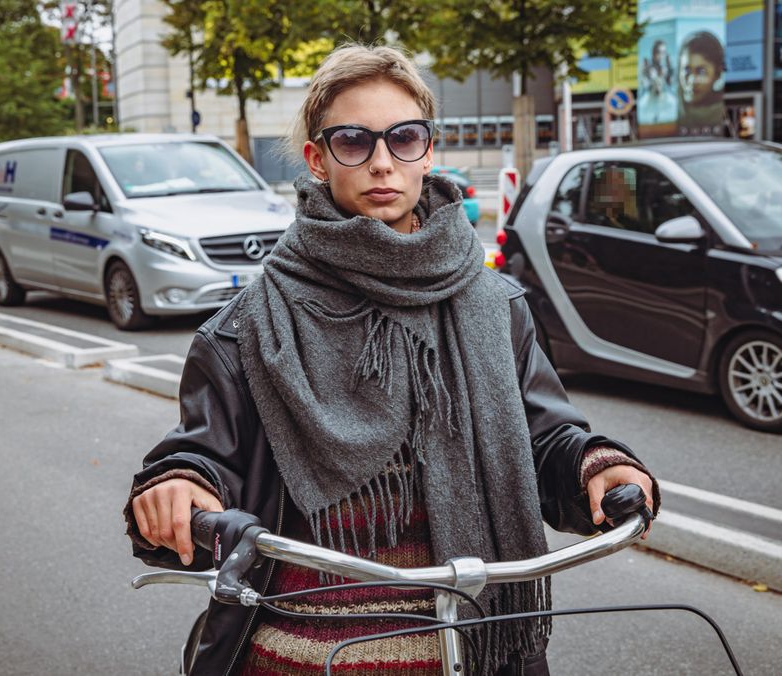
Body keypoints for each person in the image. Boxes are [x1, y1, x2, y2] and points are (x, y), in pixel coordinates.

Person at [125, 44, 659, 676]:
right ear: (318, 160)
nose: (382, 162)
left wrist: (597, 467)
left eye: (403, 138)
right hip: (300, 657)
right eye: (354, 142)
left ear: (427, 150)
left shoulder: (494, 304)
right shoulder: (247, 327)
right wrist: (179, 486)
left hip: (476, 646)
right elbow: (201, 457)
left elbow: (546, 441)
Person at [678, 31, 726, 133]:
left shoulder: (723, 117)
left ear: (717, 74)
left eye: (701, 72)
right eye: (686, 70)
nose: (691, 80)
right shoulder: (669, 111)